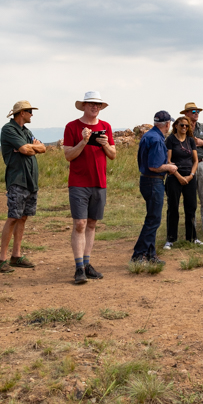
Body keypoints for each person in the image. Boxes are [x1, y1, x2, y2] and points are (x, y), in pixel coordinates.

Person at [63, 91, 116, 285]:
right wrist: (83, 141)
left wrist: (104, 145)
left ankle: (86, 265)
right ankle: (78, 267)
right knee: (80, 224)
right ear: (84, 105)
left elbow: (113, 154)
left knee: (92, 223)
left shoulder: (106, 127)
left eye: (98, 105)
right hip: (78, 182)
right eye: (92, 104)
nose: (95, 107)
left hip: (99, 182)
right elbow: (69, 155)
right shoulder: (72, 127)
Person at [0, 100, 48, 273]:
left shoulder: (26, 132)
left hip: (30, 181)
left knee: (23, 217)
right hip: (17, 179)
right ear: (21, 113)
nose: (32, 114)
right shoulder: (9, 129)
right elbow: (26, 150)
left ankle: (16, 256)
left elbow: (42, 148)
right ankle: (2, 259)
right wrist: (28, 148)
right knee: (13, 217)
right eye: (29, 111)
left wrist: (30, 147)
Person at [132, 111, 177, 263]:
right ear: (167, 124)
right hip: (153, 181)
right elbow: (154, 166)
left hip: (147, 181)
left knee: (152, 217)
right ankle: (139, 254)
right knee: (153, 220)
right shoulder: (157, 140)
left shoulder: (149, 136)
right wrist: (169, 168)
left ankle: (151, 254)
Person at [163, 116, 201, 249]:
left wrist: (191, 175)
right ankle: (171, 239)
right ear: (176, 126)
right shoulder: (171, 140)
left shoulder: (191, 140)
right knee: (173, 207)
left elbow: (195, 160)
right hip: (174, 177)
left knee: (191, 207)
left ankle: (192, 237)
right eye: (181, 125)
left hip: (190, 176)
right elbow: (168, 161)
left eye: (186, 125)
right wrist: (178, 176)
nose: (184, 127)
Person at [183, 103, 203, 237]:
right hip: (188, 165)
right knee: (190, 199)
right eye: (194, 111)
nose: (197, 113)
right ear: (186, 114)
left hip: (202, 164)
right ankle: (191, 229)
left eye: (198, 111)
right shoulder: (182, 129)